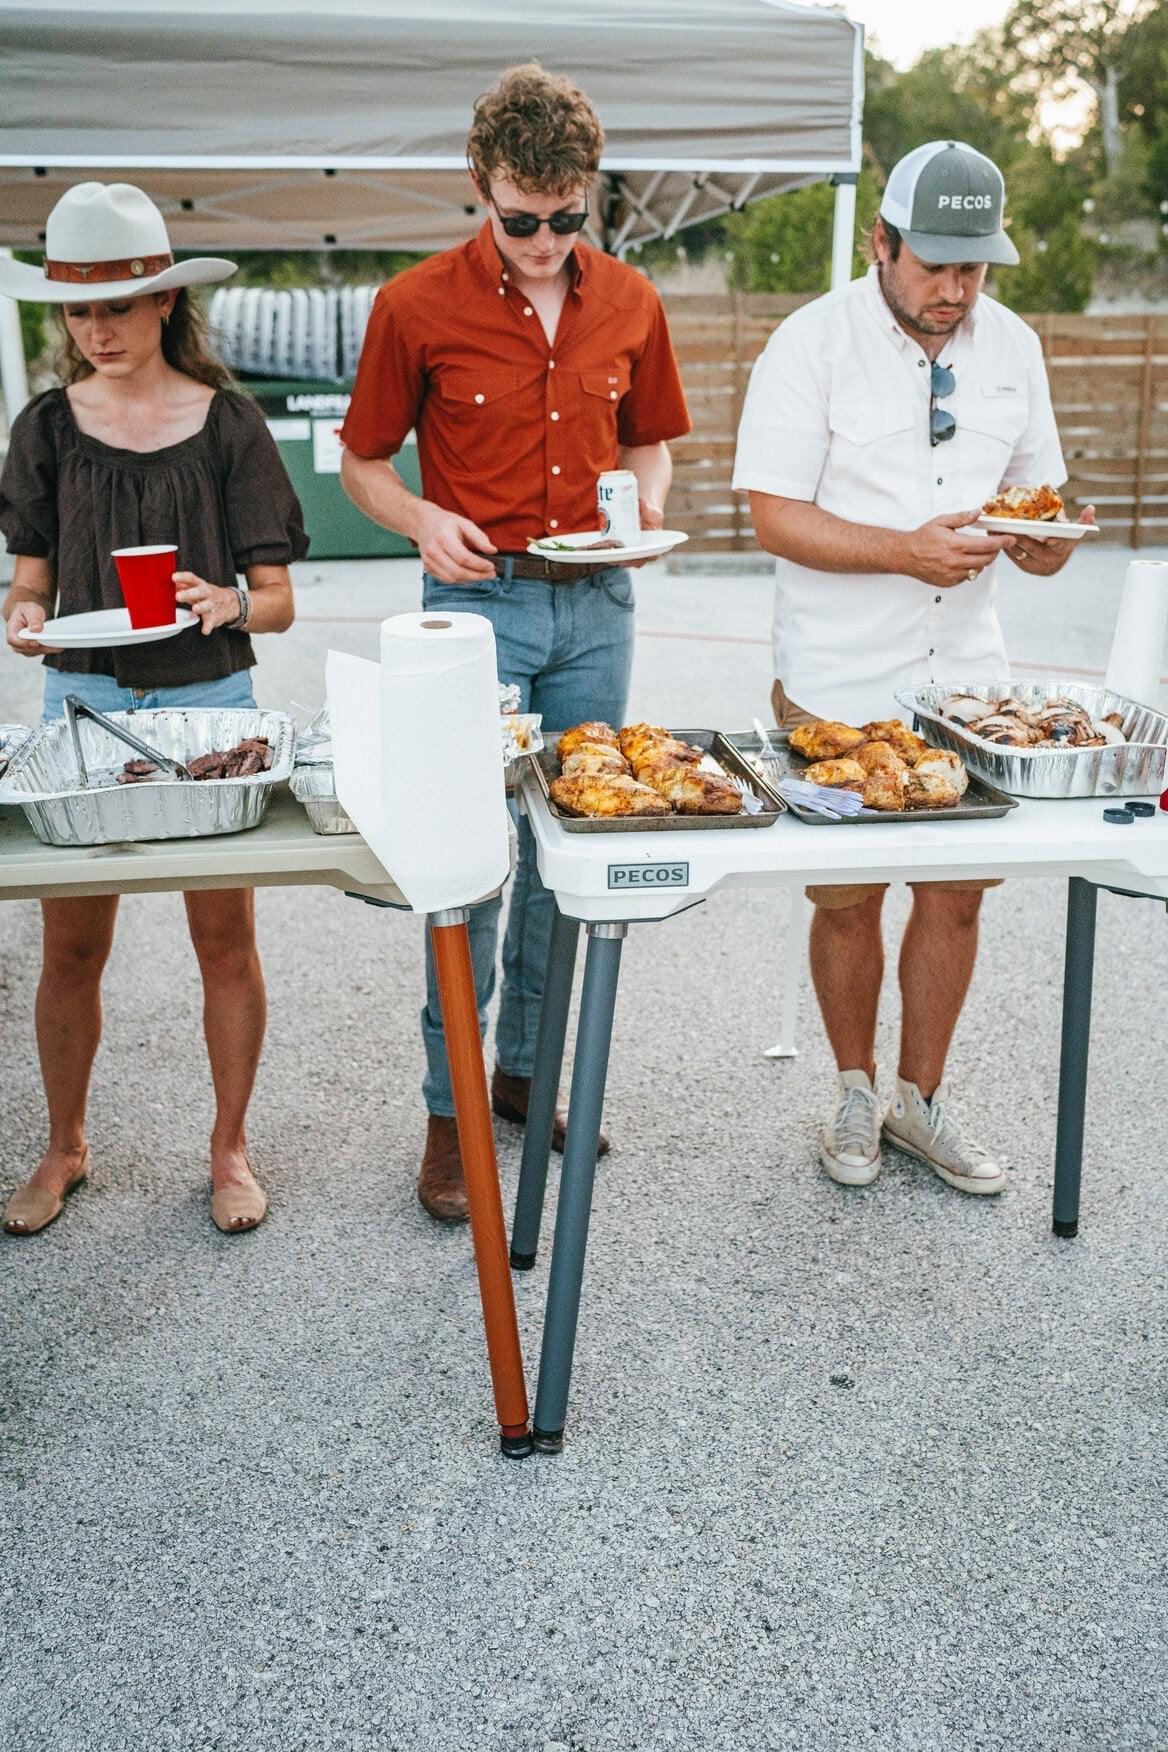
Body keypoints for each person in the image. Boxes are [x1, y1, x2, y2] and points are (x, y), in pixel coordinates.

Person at [340, 63, 691, 1223]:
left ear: (591, 191)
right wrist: (421, 518)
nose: (543, 243)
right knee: (466, 863)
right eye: (519, 218)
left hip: (596, 609)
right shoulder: (413, 303)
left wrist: (639, 521)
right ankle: (448, 1121)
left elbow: (652, 448)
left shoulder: (633, 300)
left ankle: (527, 1084)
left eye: (566, 216)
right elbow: (363, 466)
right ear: (479, 189)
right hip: (474, 609)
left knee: (568, 858)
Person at [732, 140, 1095, 1196]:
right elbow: (772, 515)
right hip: (833, 676)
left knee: (957, 898)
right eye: (934, 264)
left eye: (973, 267)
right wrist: (901, 549)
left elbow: (1043, 499)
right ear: (879, 241)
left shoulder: (1013, 345)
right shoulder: (809, 344)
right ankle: (851, 1089)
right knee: (845, 900)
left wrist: (1047, 542)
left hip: (968, 680)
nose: (955, 289)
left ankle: (917, 1103)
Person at [0, 181, 307, 1236]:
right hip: (79, 704)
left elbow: (277, 602)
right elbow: (28, 580)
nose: (98, 329)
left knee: (223, 942)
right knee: (71, 951)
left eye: (118, 307)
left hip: (213, 705)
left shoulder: (229, 423)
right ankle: (65, 1145)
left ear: (166, 303)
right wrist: (26, 615)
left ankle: (229, 1149)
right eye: (79, 310)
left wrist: (230, 599)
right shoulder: (43, 427)